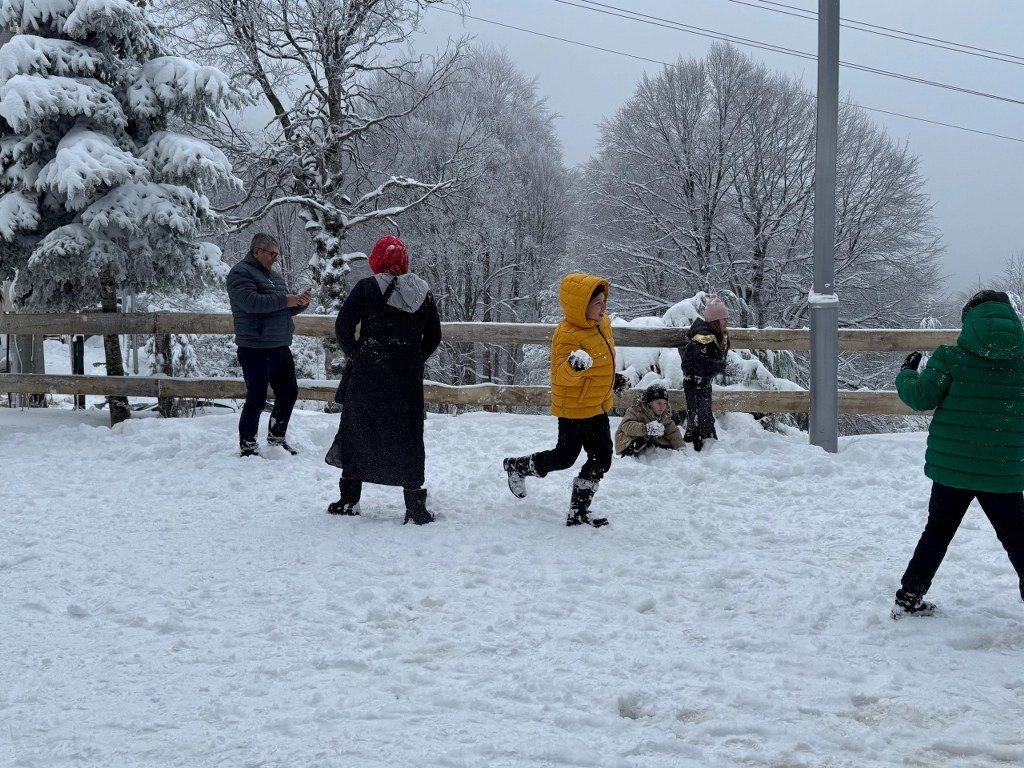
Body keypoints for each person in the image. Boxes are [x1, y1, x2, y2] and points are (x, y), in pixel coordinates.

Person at [892, 290, 1024, 618]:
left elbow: (921, 398)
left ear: (969, 320)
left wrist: (907, 373)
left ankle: (910, 595)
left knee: (938, 530)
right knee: (1019, 537)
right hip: (1003, 469)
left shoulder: (951, 357)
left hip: (953, 467)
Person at [325, 236, 442, 525]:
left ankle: (349, 500)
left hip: (369, 374)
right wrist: (413, 359)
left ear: (377, 259)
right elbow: (434, 337)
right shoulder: (423, 292)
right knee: (408, 436)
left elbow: (343, 327)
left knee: (358, 431)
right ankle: (415, 507)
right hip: (406, 379)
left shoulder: (367, 288)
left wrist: (358, 355)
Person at [503, 273, 628, 528]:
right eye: (598, 303)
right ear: (582, 305)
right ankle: (517, 466)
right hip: (574, 409)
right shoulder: (567, 334)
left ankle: (578, 511)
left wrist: (612, 379)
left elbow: (599, 364)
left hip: (598, 406)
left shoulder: (601, 325)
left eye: (604, 301)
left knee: (602, 458)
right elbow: (561, 376)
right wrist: (573, 366)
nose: (603, 307)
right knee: (564, 457)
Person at [226, 233, 311, 457]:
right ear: (257, 251)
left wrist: (298, 304)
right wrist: (286, 300)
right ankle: (248, 444)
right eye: (271, 253)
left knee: (289, 392)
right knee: (256, 397)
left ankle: (276, 437)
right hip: (255, 347)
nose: (275, 258)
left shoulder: (274, 277)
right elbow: (251, 303)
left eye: (277, 254)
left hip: (279, 345)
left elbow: (279, 308)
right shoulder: (240, 273)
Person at [681, 297, 730, 452]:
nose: (727, 321)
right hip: (695, 381)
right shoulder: (704, 337)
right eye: (724, 318)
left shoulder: (713, 334)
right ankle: (697, 445)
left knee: (703, 413)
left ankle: (705, 441)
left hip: (702, 381)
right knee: (698, 414)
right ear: (715, 320)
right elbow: (701, 363)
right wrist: (721, 365)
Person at [615, 384, 685, 457]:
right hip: (627, 440)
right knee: (637, 441)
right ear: (649, 403)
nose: (662, 406)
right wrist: (645, 428)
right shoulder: (636, 410)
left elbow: (672, 432)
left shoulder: (664, 416)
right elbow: (626, 426)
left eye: (665, 403)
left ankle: (656, 454)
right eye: (658, 403)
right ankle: (631, 458)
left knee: (665, 444)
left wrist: (680, 448)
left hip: (650, 440)